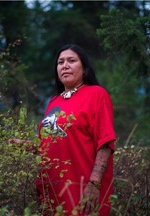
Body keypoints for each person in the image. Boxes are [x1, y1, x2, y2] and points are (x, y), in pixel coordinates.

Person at [36, 44, 116, 216]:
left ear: (85, 69)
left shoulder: (96, 94)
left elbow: (106, 142)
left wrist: (94, 184)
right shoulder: (53, 102)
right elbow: (51, 144)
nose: (65, 65)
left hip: (82, 190)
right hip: (52, 193)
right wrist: (27, 146)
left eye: (71, 61)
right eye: (60, 62)